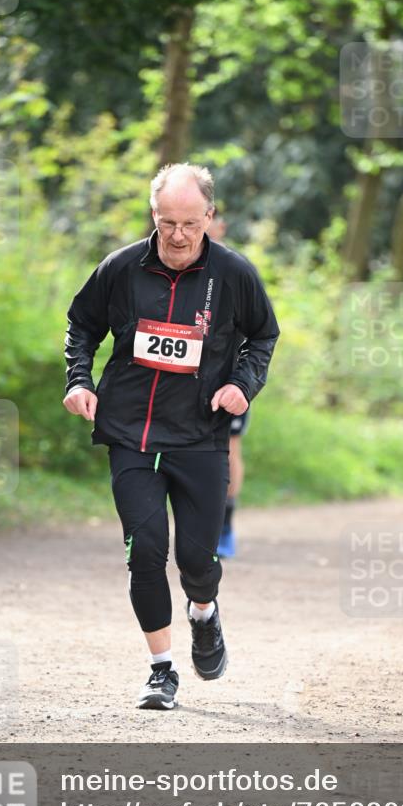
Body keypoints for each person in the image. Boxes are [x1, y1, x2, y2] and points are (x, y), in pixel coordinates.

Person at [62, 163, 279, 710]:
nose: (178, 235)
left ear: (210, 215)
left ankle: (203, 612)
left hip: (201, 436)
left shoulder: (233, 274)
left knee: (196, 562)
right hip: (130, 433)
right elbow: (82, 326)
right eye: (166, 223)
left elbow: (263, 336)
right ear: (152, 217)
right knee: (145, 552)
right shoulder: (120, 268)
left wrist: (241, 384)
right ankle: (161, 669)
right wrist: (79, 381)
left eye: (189, 222)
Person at [206, 213, 249, 560]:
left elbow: (258, 326)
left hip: (227, 377)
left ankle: (225, 524)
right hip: (180, 378)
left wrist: (241, 379)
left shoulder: (235, 267)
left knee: (229, 445)